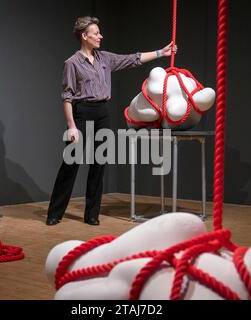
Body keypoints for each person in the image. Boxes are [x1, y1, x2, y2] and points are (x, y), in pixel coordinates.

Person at [46, 16, 177, 226]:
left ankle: (91, 214)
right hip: (81, 113)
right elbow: (67, 96)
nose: (100, 36)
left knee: (99, 164)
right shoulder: (72, 63)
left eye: (99, 32)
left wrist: (162, 53)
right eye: (96, 33)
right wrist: (71, 126)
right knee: (72, 163)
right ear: (84, 36)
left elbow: (132, 59)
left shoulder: (104, 58)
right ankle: (54, 213)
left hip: (101, 113)